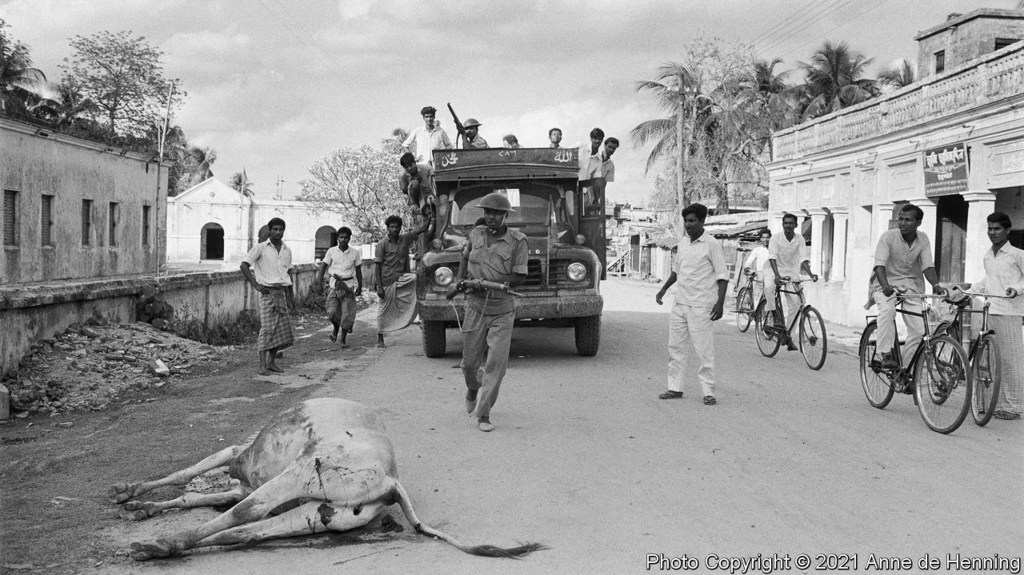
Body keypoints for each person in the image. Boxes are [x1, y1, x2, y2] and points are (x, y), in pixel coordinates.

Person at [446, 192, 527, 432]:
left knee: (496, 365)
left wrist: (493, 284)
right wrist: (460, 281)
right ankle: (473, 387)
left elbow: (520, 276)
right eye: (488, 212)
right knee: (469, 364)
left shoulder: (518, 241)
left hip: (502, 309)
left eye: (497, 213)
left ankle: (484, 414)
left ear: (505, 216)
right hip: (475, 307)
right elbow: (465, 258)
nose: (491, 217)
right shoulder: (475, 234)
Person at [655, 203, 729, 406]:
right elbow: (677, 271)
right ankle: (675, 387)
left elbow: (722, 276)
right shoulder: (683, 242)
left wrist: (720, 303)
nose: (688, 225)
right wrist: (663, 289)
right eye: (686, 221)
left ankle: (708, 391)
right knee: (675, 348)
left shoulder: (712, 244)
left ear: (702, 221)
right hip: (680, 302)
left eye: (692, 221)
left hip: (701, 305)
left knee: (704, 350)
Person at [952, 212, 1023, 420]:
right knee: (990, 359)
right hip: (990, 310)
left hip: (1009, 312)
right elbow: (987, 282)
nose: (992, 232)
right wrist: (967, 292)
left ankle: (1013, 407)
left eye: (997, 228)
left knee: (1011, 361)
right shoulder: (988, 256)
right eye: (989, 228)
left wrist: (1017, 289)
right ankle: (991, 404)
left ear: (1007, 230)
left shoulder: (1017, 254)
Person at [870, 204, 945, 371]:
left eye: (908, 220)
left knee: (920, 330)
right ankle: (885, 353)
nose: (902, 223)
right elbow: (879, 265)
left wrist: (936, 285)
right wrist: (885, 286)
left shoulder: (923, 239)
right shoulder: (888, 237)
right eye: (901, 219)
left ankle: (905, 370)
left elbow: (927, 265)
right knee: (888, 310)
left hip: (911, 286)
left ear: (918, 223)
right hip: (885, 284)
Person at [240, 217, 295, 375]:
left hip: (281, 293)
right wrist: (256, 285)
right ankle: (262, 365)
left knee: (280, 329)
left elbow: (288, 273)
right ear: (270, 231)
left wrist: (291, 298)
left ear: (284, 231)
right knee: (267, 329)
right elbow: (244, 265)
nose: (278, 232)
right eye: (275, 229)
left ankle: (271, 362)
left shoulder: (287, 250)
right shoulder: (261, 248)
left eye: (280, 229)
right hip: (267, 294)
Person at [374, 215, 431, 348]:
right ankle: (380, 338)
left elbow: (422, 229)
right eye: (392, 227)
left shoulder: (405, 238)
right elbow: (377, 266)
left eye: (397, 227)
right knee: (383, 309)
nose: (394, 229)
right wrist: (379, 287)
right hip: (386, 280)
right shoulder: (382, 244)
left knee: (416, 278)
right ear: (388, 228)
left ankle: (411, 318)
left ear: (400, 228)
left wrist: (430, 216)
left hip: (401, 277)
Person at [766, 214, 817, 351]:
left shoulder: (799, 239)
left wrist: (811, 274)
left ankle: (788, 335)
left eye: (791, 223)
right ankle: (774, 315)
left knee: (796, 304)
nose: (788, 225)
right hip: (773, 269)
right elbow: (772, 257)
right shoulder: (775, 238)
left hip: (791, 273)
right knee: (769, 288)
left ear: (796, 225)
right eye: (786, 223)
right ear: (783, 224)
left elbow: (803, 258)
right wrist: (777, 275)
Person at [316, 226, 363, 348]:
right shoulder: (331, 251)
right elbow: (323, 267)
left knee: (347, 314)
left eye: (346, 237)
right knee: (331, 312)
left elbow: (358, 270)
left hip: (348, 286)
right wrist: (319, 283)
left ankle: (343, 340)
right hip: (334, 285)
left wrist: (360, 286)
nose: (343, 240)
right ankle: (336, 327)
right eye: (341, 237)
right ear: (337, 238)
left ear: (349, 238)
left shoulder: (355, 253)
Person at [734, 229, 771, 303]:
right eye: (763, 238)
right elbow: (749, 261)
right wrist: (747, 267)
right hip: (759, 277)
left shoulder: (774, 250)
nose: (766, 240)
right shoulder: (757, 250)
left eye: (767, 237)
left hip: (770, 277)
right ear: (760, 239)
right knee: (757, 299)